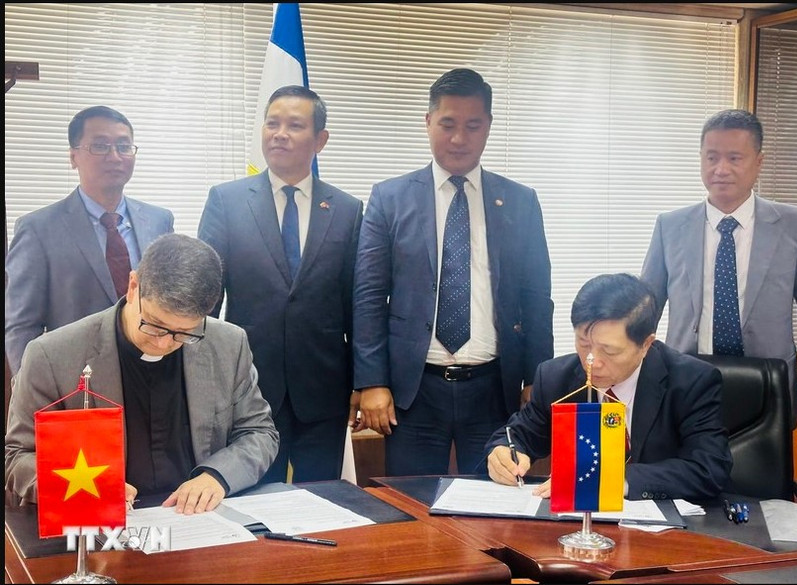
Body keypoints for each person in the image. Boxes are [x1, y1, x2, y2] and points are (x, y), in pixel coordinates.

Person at [351, 68, 554, 476]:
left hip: (493, 387)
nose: (459, 138)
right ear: (428, 123)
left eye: (472, 126)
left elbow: (536, 296)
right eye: (447, 124)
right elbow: (369, 295)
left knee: (492, 508)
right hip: (414, 390)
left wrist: (537, 379)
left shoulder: (519, 201)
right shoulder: (389, 198)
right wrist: (372, 380)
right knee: (410, 506)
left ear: (488, 128)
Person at [5, 234, 279, 513]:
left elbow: (258, 432)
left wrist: (217, 476)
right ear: (133, 286)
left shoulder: (228, 343)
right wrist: (83, 485)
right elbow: (17, 457)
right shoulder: (53, 355)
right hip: (98, 523)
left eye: (183, 334)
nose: (163, 343)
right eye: (155, 325)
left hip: (197, 520)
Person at [198, 85, 363, 483]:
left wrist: (364, 380)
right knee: (252, 502)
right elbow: (206, 298)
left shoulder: (347, 209)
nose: (279, 133)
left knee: (322, 500)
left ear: (320, 140)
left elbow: (357, 304)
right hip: (247, 385)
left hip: (323, 387)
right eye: (272, 123)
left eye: (294, 125)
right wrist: (201, 376)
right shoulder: (227, 200)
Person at [641, 109, 797, 441]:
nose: (720, 169)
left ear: (759, 161)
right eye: (711, 157)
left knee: (762, 488)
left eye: (734, 158)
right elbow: (644, 312)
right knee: (683, 483)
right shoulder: (670, 226)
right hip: (686, 382)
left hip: (769, 388)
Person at [486, 273, 732, 501]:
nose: (592, 360)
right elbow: (517, 435)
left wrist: (614, 480)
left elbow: (708, 468)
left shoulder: (691, 381)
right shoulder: (555, 378)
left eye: (609, 350)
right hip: (576, 527)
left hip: (661, 533)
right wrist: (505, 453)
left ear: (646, 344)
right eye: (583, 343)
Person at [5, 105, 174, 376]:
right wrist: (31, 389)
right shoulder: (38, 229)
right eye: (100, 146)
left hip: (152, 372)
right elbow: (21, 325)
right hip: (76, 378)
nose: (115, 156)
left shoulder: (159, 220)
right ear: (73, 157)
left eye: (124, 146)